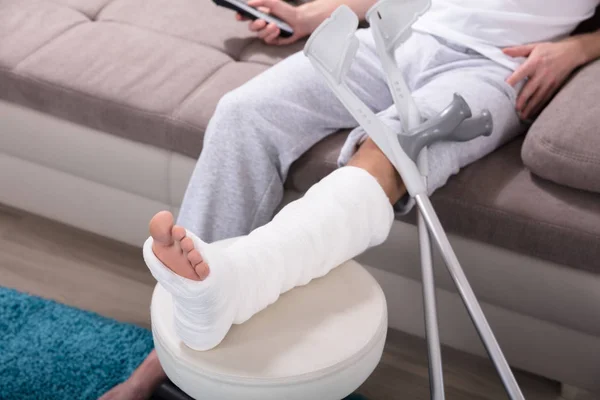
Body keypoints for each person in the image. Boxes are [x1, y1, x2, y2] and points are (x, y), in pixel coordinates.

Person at [100, 0, 600, 398]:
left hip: (502, 66)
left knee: (393, 150)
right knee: (244, 112)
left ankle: (224, 293)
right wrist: (314, 13)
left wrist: (577, 48)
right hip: (404, 33)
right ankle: (178, 339)